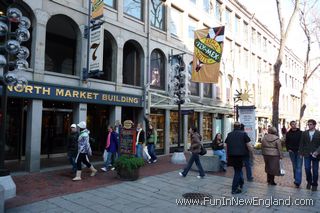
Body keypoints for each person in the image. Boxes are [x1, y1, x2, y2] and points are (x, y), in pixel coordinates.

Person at [225, 122, 252, 194]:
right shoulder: (243, 134)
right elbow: (249, 146)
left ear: (234, 127)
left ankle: (241, 182)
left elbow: (226, 145)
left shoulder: (229, 134)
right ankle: (234, 189)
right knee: (237, 172)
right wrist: (252, 154)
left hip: (231, 156)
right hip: (240, 156)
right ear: (240, 126)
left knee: (237, 170)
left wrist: (226, 156)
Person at [299, 119, 320, 191]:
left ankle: (315, 184)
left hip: (316, 155)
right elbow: (301, 143)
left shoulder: (318, 133)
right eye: (308, 124)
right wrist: (301, 153)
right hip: (306, 154)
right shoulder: (304, 133)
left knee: (315, 170)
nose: (309, 125)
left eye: (310, 124)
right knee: (307, 168)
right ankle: (309, 181)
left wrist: (317, 151)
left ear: (314, 125)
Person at [285, 120, 302, 188]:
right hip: (292, 152)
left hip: (299, 152)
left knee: (298, 167)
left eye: (295, 124)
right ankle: (296, 178)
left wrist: (301, 150)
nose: (294, 125)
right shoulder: (288, 133)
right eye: (292, 124)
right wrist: (288, 149)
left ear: (296, 124)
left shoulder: (301, 133)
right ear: (290, 125)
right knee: (294, 166)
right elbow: (286, 142)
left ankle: (298, 182)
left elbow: (303, 142)